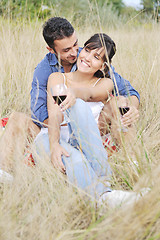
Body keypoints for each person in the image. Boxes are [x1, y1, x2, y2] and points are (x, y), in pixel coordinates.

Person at [34, 33, 145, 207]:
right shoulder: (56, 78)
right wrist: (55, 145)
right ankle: (105, 196)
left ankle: (104, 189)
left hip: (85, 144)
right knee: (72, 155)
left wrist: (74, 94)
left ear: (103, 65)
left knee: (78, 106)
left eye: (96, 57)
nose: (87, 58)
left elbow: (89, 94)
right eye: (86, 50)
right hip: (51, 138)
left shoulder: (105, 84)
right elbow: (54, 113)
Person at [30, 17, 140, 133]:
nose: (74, 53)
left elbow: (128, 91)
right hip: (59, 128)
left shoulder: (88, 57)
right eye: (66, 50)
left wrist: (131, 108)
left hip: (94, 128)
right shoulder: (44, 70)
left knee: (122, 116)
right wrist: (69, 128)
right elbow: (39, 114)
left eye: (75, 44)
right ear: (51, 50)